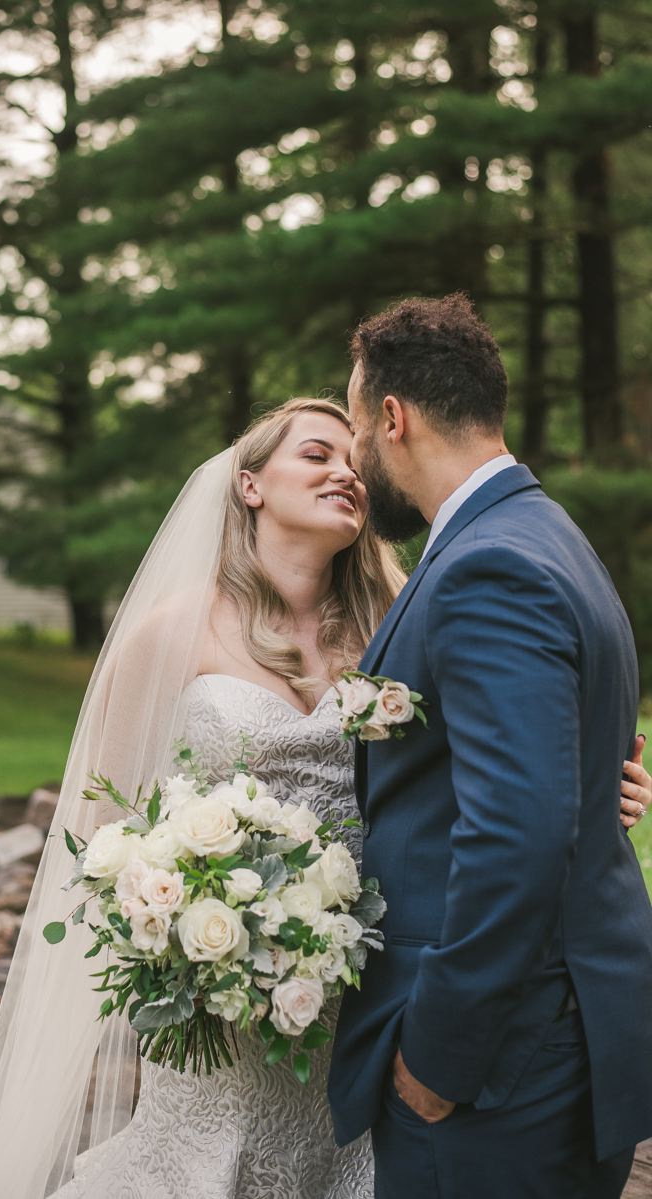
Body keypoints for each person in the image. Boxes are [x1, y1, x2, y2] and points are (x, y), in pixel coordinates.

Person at [0, 396, 650, 1199]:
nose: (345, 471)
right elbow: (98, 842)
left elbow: (500, 771)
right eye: (316, 454)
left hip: (371, 992)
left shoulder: (399, 620)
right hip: (222, 1009)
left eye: (353, 459)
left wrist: (597, 791)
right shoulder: (169, 634)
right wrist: (179, 925)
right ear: (249, 484)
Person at [329, 293, 652, 1199]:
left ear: (392, 418)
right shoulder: (547, 532)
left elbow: (517, 833)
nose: (356, 458)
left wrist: (437, 1057)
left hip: (499, 1067)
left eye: (355, 428)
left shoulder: (484, 565)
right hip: (564, 1031)